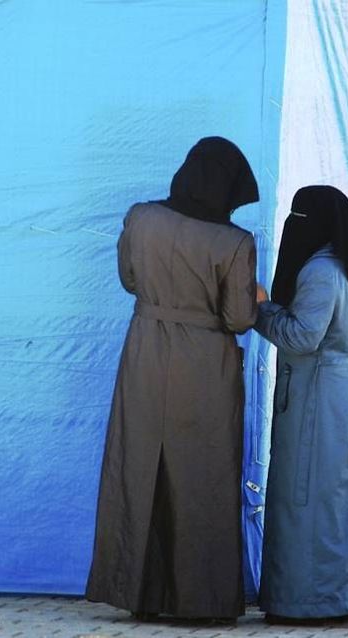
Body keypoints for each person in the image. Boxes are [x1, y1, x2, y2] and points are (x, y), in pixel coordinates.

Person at [85, 137, 260, 623]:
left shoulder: (141, 218)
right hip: (204, 365)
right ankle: (199, 601)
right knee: (202, 476)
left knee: (140, 467)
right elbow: (239, 318)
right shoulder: (235, 243)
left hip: (144, 353)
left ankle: (139, 592)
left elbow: (129, 280)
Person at [254, 185, 348, 624]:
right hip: (336, 392)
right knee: (334, 498)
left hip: (322, 397)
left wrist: (260, 309)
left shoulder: (320, 272)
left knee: (311, 497)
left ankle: (311, 602)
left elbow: (301, 337)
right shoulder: (340, 264)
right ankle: (328, 597)